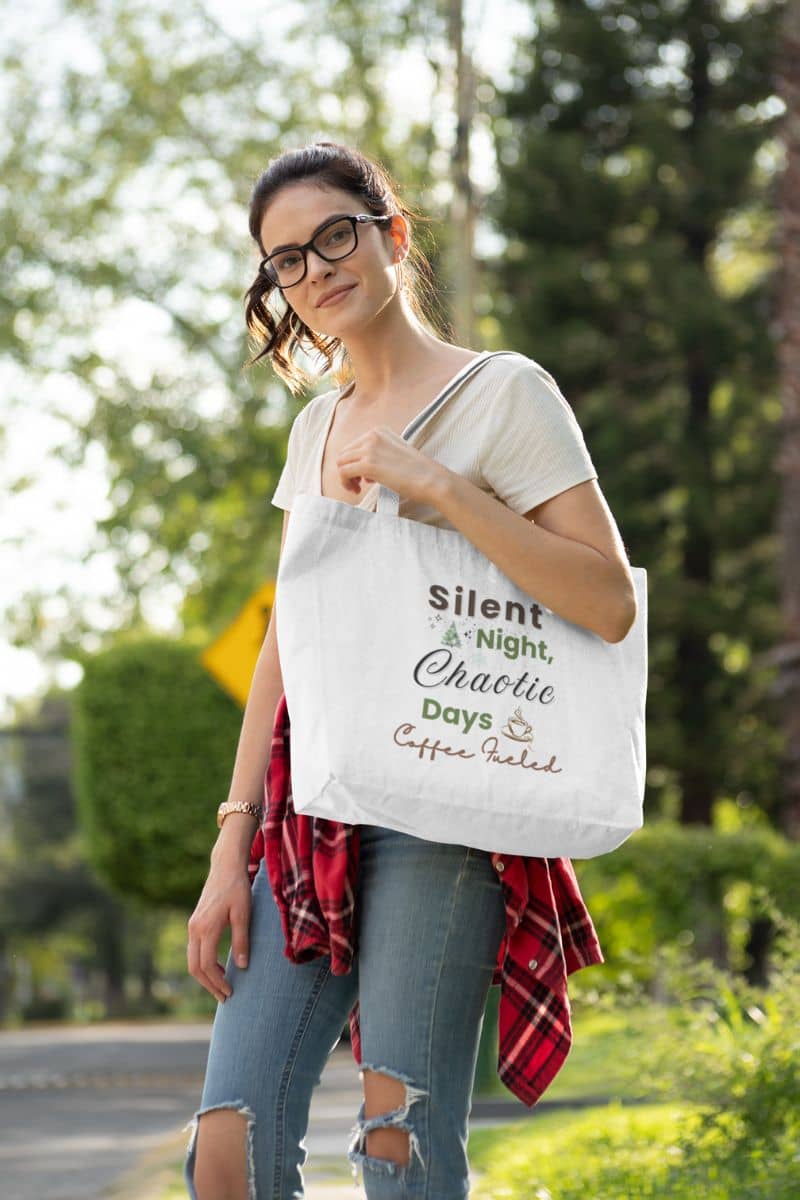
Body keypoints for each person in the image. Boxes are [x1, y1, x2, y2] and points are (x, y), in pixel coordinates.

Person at [183, 139, 636, 1200]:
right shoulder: (315, 428)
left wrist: (439, 490)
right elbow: (287, 641)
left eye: (333, 235)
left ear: (389, 232)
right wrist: (229, 844)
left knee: (399, 1148)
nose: (314, 271)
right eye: (284, 261)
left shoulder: (504, 394)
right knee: (226, 1153)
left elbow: (606, 602)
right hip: (307, 815)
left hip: (448, 804)